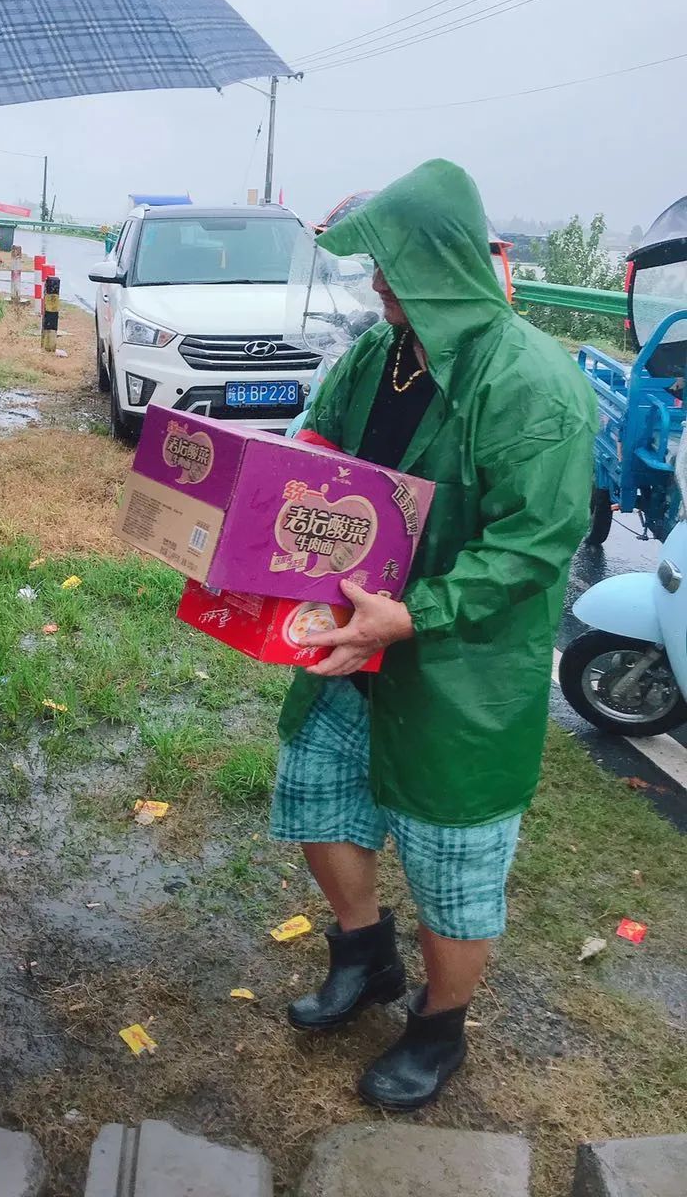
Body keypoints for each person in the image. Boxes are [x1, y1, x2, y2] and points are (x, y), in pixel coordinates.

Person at [273, 159, 596, 1111]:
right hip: (349, 641)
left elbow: (536, 546)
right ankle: (364, 956)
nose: (376, 284)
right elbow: (318, 443)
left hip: (460, 669)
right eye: (373, 265)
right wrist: (257, 498)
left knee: (456, 862)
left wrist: (415, 614)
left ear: (444, 264)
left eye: (391, 266)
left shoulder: (532, 385)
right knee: (317, 796)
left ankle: (439, 1026)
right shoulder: (381, 354)